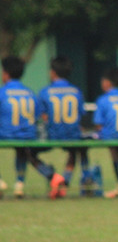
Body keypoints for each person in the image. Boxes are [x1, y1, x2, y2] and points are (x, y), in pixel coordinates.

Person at [0, 56, 56, 198]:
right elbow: (38, 116)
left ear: (5, 74)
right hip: (27, 136)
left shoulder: (2, 92)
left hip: (5, 135)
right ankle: (19, 185)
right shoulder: (30, 93)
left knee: (18, 146)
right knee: (22, 150)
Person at [36, 56, 89, 198]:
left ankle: (51, 175)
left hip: (52, 135)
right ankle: (66, 181)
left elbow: (43, 116)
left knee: (27, 151)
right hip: (72, 134)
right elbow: (80, 114)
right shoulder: (76, 91)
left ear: (53, 72)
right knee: (75, 150)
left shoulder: (45, 91)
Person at [92, 66, 118, 199]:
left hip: (111, 136)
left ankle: (88, 182)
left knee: (88, 141)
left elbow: (98, 124)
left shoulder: (103, 99)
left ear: (107, 82)